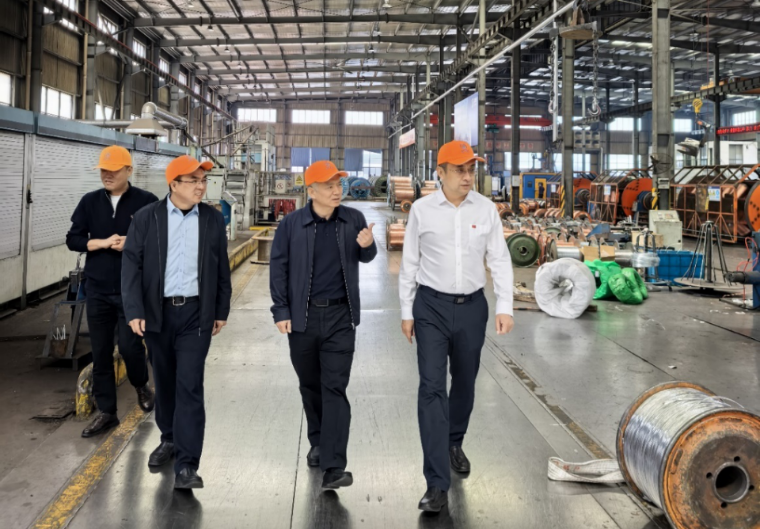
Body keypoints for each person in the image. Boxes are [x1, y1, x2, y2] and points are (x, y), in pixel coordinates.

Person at [399, 140, 515, 513]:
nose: (468, 176)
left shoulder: (486, 209)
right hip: (430, 307)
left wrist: (506, 305)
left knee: (464, 382)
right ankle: (436, 483)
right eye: (460, 170)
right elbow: (410, 262)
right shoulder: (422, 211)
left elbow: (499, 259)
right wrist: (406, 311)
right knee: (432, 388)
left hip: (472, 308)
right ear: (441, 172)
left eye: (471, 169)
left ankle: (454, 441)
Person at [122, 154, 232, 490]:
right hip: (158, 313)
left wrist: (221, 310)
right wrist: (134, 310)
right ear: (173, 184)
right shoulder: (147, 218)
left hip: (196, 314)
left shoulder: (212, 219)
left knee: (190, 384)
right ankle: (169, 437)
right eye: (193, 181)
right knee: (165, 381)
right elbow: (131, 266)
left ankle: (187, 464)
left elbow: (221, 266)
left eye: (203, 180)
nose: (201, 186)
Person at [270, 160, 377, 490]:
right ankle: (317, 440)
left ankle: (334, 465)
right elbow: (279, 268)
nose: (336, 190)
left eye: (338, 184)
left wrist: (368, 245)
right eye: (329, 185)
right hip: (302, 318)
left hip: (341, 317)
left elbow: (366, 257)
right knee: (310, 385)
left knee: (334, 387)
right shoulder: (292, 224)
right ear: (311, 190)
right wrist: (281, 310)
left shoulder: (353, 219)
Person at [66, 145, 158, 438]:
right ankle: (107, 412)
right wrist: (102, 243)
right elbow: (73, 239)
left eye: (114, 170)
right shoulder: (90, 202)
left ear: (129, 171)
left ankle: (141, 384)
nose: (107, 175)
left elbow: (160, 239)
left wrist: (131, 241)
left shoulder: (146, 201)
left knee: (130, 347)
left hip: (132, 291)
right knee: (101, 352)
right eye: (103, 170)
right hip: (97, 289)